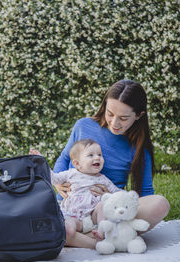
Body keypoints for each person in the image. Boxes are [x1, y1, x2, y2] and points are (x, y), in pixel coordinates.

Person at [53, 79, 170, 249]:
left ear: (139, 116)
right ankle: (98, 238)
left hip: (105, 212)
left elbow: (144, 195)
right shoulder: (83, 126)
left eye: (123, 118)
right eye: (110, 113)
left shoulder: (138, 149)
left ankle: (79, 237)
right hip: (72, 208)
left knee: (160, 204)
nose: (114, 123)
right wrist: (57, 185)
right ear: (104, 106)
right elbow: (64, 159)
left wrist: (114, 196)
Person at [30, 139, 121, 242]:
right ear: (77, 163)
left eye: (99, 155)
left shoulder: (103, 179)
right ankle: (72, 233)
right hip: (73, 215)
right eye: (91, 155)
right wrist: (41, 162)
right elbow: (54, 178)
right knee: (68, 225)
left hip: (92, 218)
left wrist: (115, 196)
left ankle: (100, 231)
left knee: (102, 205)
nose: (97, 158)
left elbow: (117, 192)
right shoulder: (71, 174)